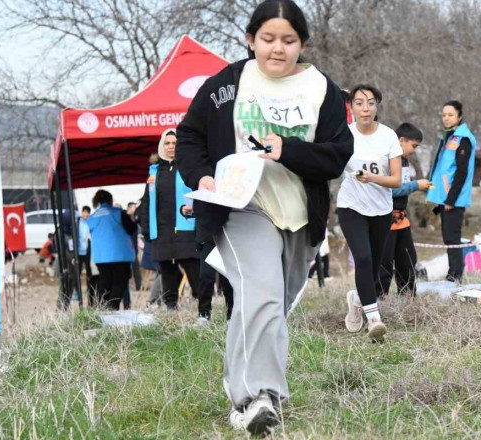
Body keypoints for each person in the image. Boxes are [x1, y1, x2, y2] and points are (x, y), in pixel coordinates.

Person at [175, 0, 353, 433]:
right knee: (263, 292)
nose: (278, 49)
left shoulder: (322, 90)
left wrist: (287, 150)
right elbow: (189, 137)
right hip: (240, 206)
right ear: (250, 39)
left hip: (298, 215)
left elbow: (337, 154)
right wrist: (202, 178)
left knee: (265, 304)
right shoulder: (228, 84)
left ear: (303, 43)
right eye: (268, 39)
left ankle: (237, 393)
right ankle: (261, 396)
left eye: (288, 40)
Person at [338, 84, 403, 342]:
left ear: (377, 106)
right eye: (359, 103)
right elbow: (328, 164)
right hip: (351, 205)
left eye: (371, 103)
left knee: (374, 266)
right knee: (363, 258)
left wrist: (373, 178)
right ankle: (374, 319)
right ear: (351, 106)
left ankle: (356, 299)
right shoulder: (343, 134)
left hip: (381, 209)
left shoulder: (388, 136)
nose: (365, 108)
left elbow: (397, 180)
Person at [138, 129, 203, 314]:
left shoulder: (188, 167)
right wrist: (146, 230)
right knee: (167, 273)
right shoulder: (154, 172)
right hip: (162, 232)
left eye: (174, 143)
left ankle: (203, 310)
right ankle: (171, 311)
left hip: (186, 229)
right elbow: (147, 202)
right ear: (162, 146)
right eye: (167, 143)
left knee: (194, 270)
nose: (171, 146)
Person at [377, 122, 429, 298]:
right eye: (413, 146)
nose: (414, 150)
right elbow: (392, 189)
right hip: (386, 221)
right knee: (384, 264)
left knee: (407, 262)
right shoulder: (387, 160)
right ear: (401, 141)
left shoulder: (404, 161)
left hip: (402, 220)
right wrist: (416, 185)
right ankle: (379, 301)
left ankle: (407, 299)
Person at [426, 100, 477, 283]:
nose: (446, 118)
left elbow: (462, 172)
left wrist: (451, 199)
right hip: (443, 196)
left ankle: (455, 275)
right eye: (444, 115)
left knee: (453, 238)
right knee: (448, 238)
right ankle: (452, 273)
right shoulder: (449, 136)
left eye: (450, 115)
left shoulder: (463, 139)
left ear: (459, 117)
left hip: (453, 198)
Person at [86, 190, 137, 310]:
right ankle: (112, 308)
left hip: (100, 257)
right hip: (119, 255)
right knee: (119, 283)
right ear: (110, 200)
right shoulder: (118, 213)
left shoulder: (92, 217)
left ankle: (103, 308)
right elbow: (132, 228)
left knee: (104, 282)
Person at [77, 206, 93, 304]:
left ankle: (89, 289)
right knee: (77, 272)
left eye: (87, 212)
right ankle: (77, 291)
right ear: (82, 212)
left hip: (88, 251)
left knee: (89, 272)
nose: (85, 214)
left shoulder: (90, 223)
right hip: (79, 251)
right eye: (84, 212)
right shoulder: (77, 222)